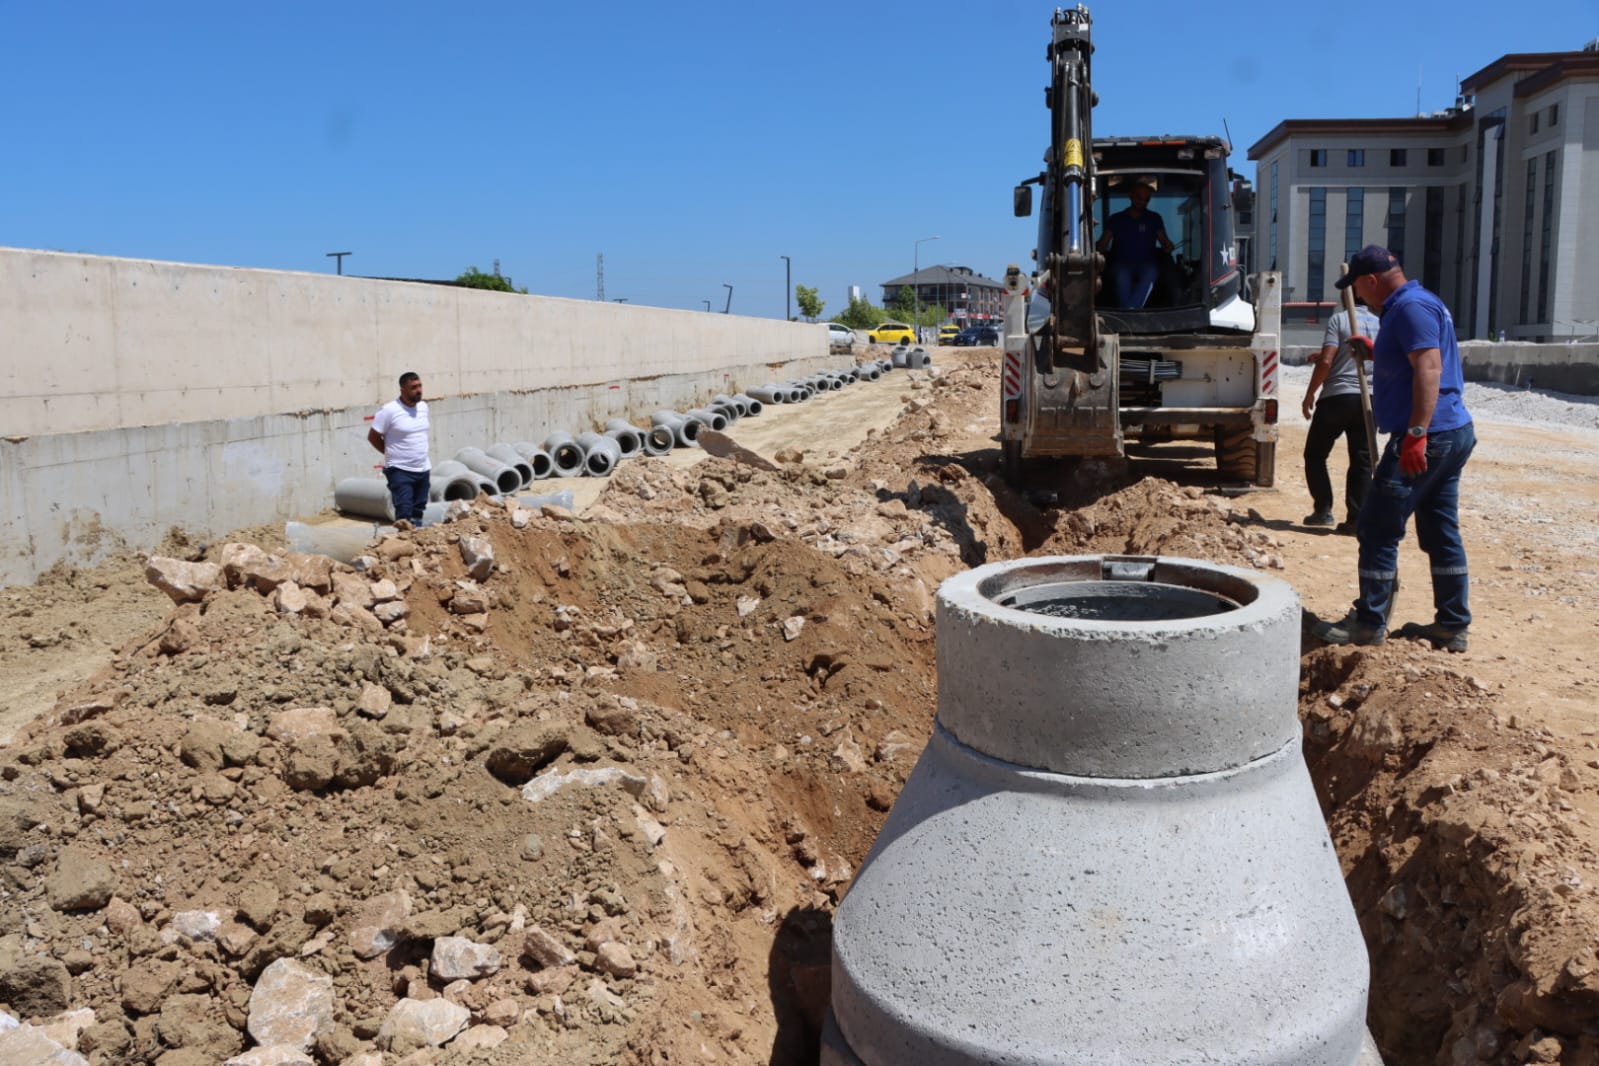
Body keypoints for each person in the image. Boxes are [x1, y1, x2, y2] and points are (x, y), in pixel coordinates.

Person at [1314, 246, 1476, 652]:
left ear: (1370, 280)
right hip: (1450, 431)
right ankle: (1452, 624)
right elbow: (1411, 360)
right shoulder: (1416, 304)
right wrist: (1372, 352)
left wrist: (1417, 433)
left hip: (1429, 435)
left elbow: (1429, 367)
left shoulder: (1409, 308)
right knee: (1440, 531)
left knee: (1376, 527)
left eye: (1357, 289)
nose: (1359, 298)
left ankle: (1368, 623)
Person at [1301, 302, 1379, 532]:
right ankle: (1356, 519)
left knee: (1315, 454)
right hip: (1368, 399)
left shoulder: (1339, 320)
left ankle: (1323, 510)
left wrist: (1309, 394)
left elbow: (1327, 361)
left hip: (1337, 397)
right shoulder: (1379, 323)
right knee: (1362, 460)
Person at [1096, 180, 1174, 309]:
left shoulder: (1154, 219)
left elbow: (1166, 242)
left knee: (1152, 271)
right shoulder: (1116, 219)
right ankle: (1132, 311)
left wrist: (1168, 246)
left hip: (1146, 264)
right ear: (1131, 196)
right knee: (1121, 274)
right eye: (1139, 197)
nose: (1142, 201)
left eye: (1146, 199)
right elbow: (1102, 244)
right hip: (1122, 264)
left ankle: (1130, 311)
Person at [367, 371, 431, 529]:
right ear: (403, 390)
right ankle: (403, 544)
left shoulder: (423, 407)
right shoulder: (389, 410)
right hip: (400, 470)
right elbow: (373, 437)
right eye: (413, 387)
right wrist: (391, 453)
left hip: (423, 468)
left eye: (420, 386)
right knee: (404, 510)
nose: (419, 390)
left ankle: (418, 544)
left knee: (419, 509)